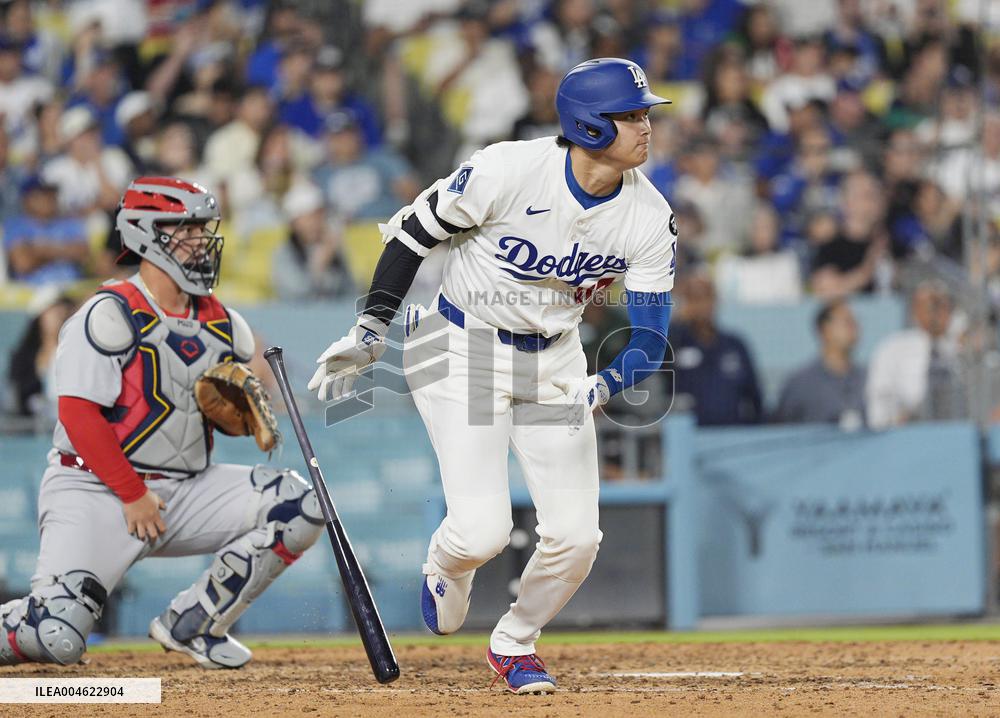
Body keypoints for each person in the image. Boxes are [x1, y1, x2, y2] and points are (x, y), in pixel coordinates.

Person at [308, 58, 677, 693]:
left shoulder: (648, 214)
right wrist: (371, 330)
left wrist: (603, 386)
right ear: (590, 127)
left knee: (577, 537)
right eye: (632, 116)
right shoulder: (508, 168)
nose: (647, 127)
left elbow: (649, 338)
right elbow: (411, 237)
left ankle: (514, 642)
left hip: (556, 358)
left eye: (646, 114)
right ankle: (447, 563)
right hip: (457, 347)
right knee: (482, 531)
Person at [0, 177, 324, 669]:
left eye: (201, 228)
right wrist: (131, 493)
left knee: (298, 505)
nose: (200, 241)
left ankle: (195, 622)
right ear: (146, 234)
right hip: (95, 488)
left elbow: (226, 407)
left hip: (185, 488)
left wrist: (240, 419)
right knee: (55, 636)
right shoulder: (106, 314)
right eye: (186, 229)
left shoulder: (225, 324)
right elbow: (78, 415)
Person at [867, 280, 965, 429]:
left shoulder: (965, 348)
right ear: (915, 309)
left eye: (941, 305)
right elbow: (879, 399)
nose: (935, 312)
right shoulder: (893, 348)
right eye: (929, 305)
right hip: (908, 433)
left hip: (959, 430)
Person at [668, 272, 763, 426]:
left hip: (732, 434)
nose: (702, 305)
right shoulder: (675, 343)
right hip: (690, 437)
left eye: (707, 297)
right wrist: (679, 321)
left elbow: (755, 398)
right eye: (694, 298)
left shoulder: (735, 345)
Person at [773, 299, 866, 427]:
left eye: (855, 323)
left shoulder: (868, 379)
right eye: (847, 322)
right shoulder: (800, 384)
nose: (854, 328)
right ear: (825, 330)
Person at [3, 176, 89, 286]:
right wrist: (64, 251)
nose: (51, 199)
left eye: (52, 194)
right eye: (44, 194)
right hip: (33, 292)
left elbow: (83, 254)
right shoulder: (15, 225)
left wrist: (38, 250)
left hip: (72, 288)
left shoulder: (70, 223)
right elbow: (23, 263)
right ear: (28, 200)